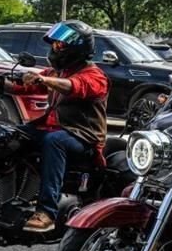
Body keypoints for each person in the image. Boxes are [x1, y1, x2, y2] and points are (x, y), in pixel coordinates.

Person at [8, 20, 109, 232]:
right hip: (52, 129)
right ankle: (3, 198)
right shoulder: (57, 72)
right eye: (54, 44)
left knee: (54, 141)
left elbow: (75, 87)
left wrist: (44, 81)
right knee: (7, 135)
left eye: (59, 45)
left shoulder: (94, 75)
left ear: (77, 47)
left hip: (83, 137)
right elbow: (23, 85)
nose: (54, 48)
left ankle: (47, 212)